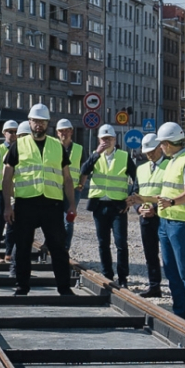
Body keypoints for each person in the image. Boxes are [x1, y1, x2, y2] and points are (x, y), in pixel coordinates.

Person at [2, 104, 76, 296]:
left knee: (58, 247)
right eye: (35, 121)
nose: (38, 125)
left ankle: (64, 288)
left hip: (52, 204)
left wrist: (72, 204)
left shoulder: (56, 146)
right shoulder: (19, 145)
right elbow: (7, 178)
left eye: (42, 122)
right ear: (29, 122)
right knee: (23, 247)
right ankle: (22, 286)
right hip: (26, 203)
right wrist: (7, 207)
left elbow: (67, 178)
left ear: (47, 124)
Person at [144, 122, 185, 325]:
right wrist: (146, 200)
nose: (160, 147)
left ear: (168, 144)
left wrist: (171, 202)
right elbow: (168, 191)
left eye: (161, 144)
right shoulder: (172, 161)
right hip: (167, 221)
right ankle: (181, 313)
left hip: (182, 222)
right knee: (171, 269)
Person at [77, 124, 136, 287]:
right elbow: (84, 170)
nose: (106, 142)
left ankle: (123, 278)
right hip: (99, 205)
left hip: (118, 205)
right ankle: (107, 274)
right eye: (103, 139)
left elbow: (136, 176)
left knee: (121, 243)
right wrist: (96, 153)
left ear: (114, 140)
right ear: (98, 140)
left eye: (109, 139)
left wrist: (132, 196)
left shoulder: (123, 156)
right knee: (103, 242)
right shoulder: (95, 156)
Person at [132, 134, 166, 297]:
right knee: (150, 254)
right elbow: (135, 192)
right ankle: (154, 286)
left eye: (152, 151)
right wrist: (138, 208)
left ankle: (176, 286)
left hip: (165, 216)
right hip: (145, 217)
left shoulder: (169, 166)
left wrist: (155, 208)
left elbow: (172, 192)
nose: (150, 155)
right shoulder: (141, 168)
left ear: (160, 147)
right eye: (147, 152)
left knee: (169, 255)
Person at [0, 121, 20, 263]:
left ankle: (8, 253)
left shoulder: (21, 149)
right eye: (10, 132)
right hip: (2, 191)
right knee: (0, 223)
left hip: (17, 192)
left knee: (13, 224)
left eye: (15, 132)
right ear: (4, 133)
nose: (13, 134)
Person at [56, 118, 85, 257]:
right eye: (61, 131)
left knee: (69, 219)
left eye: (67, 130)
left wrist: (81, 185)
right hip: (54, 188)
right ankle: (51, 244)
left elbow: (85, 169)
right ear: (57, 133)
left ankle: (65, 248)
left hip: (73, 190)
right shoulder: (52, 147)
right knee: (53, 218)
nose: (64, 133)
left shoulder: (79, 149)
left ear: (71, 132)